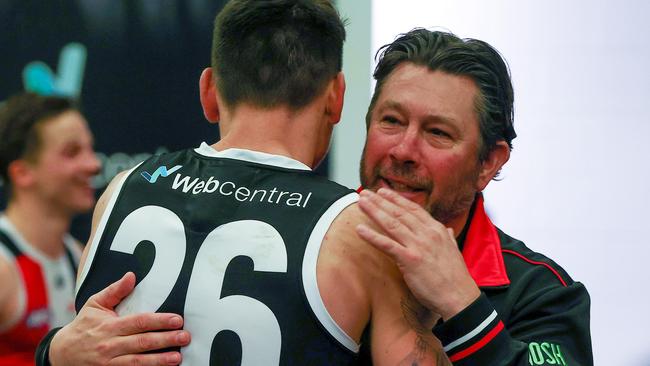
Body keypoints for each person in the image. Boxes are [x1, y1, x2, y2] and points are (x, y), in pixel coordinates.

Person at [39, 1, 447, 365]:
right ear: (336, 96)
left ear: (209, 90)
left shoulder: (122, 190)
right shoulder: (360, 233)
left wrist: (51, 352)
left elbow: (82, 344)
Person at [354, 29, 593, 365]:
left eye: (437, 132)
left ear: (488, 163)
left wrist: (461, 304)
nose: (403, 150)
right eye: (391, 120)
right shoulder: (305, 238)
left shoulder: (542, 293)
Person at [0, 92, 101, 365]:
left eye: (90, 149)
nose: (94, 165)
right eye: (72, 152)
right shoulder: (4, 266)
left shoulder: (81, 257)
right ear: (22, 173)